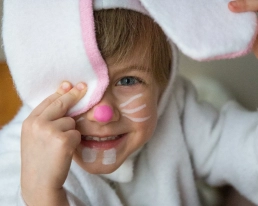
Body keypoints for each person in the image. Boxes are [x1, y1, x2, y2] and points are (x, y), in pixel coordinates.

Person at [0, 0, 258, 205]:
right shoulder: (15, 160)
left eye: (127, 81)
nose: (102, 113)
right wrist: (40, 196)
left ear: (163, 84)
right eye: (78, 84)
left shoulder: (177, 111)